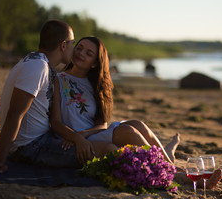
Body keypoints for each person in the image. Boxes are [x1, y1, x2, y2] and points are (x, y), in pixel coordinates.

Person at [49, 36, 180, 165]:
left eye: (88, 53)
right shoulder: (58, 80)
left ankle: (168, 165)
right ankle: (168, 167)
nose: (81, 53)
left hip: (92, 134)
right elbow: (55, 122)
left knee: (138, 124)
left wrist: (84, 134)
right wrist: (77, 137)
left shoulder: (96, 86)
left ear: (94, 63)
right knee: (127, 131)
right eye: (79, 48)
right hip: (73, 138)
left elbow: (102, 124)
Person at [0, 20, 76, 173]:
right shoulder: (37, 67)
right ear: (63, 45)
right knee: (95, 152)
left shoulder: (38, 62)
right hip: (29, 147)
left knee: (92, 144)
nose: (74, 49)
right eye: (73, 43)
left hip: (40, 140)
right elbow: (14, 115)